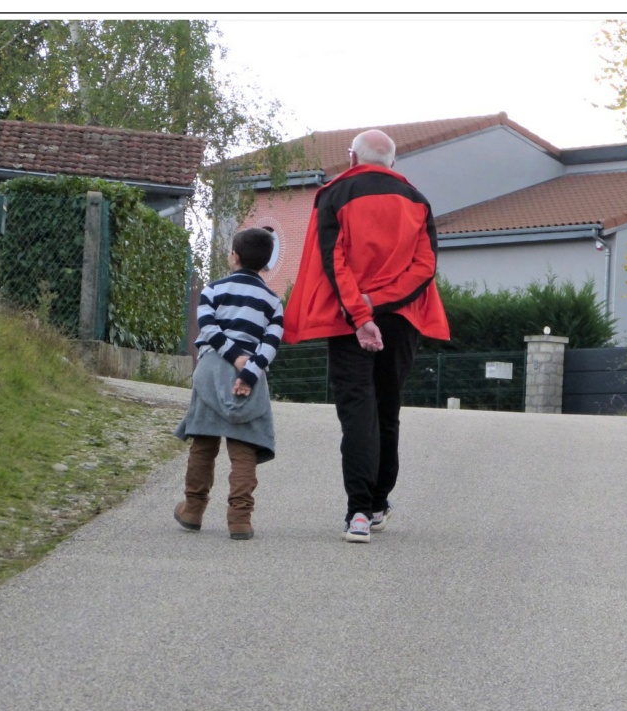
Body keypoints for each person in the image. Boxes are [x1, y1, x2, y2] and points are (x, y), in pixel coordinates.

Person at [283, 129, 450, 543]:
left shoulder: (333, 195)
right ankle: (377, 504)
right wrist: (378, 304)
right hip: (400, 317)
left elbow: (331, 260)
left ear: (352, 158)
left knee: (358, 410)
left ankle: (357, 513)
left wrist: (360, 312)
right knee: (387, 408)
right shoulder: (417, 201)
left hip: (347, 318)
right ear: (392, 162)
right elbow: (424, 268)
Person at [173, 227, 284, 540]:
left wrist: (233, 358)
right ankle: (239, 519)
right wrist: (248, 372)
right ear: (266, 264)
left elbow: (208, 328)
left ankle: (193, 510)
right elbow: (271, 343)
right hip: (252, 371)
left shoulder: (212, 290)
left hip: (211, 369)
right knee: (244, 448)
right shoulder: (273, 302)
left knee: (204, 445)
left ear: (234, 256)